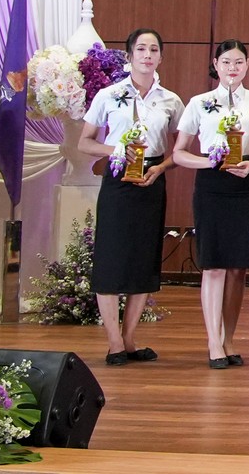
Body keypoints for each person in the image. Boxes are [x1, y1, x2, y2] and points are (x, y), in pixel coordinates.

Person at [171, 39, 249, 369]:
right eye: (227, 62)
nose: (233, 68)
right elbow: (179, 153)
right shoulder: (199, 103)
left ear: (247, 65)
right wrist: (209, 162)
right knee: (214, 264)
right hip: (212, 184)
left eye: (239, 62)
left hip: (248, 183)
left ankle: (229, 338)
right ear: (216, 65)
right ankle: (213, 342)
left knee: (237, 267)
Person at [79, 28, 181, 366]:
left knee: (143, 259)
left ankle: (129, 340)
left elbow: (180, 149)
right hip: (118, 176)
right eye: (141, 49)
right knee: (111, 258)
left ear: (161, 57)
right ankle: (113, 343)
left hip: (152, 179)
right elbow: (85, 142)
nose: (147, 55)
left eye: (154, 49)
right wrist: (117, 149)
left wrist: (161, 168)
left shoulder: (170, 100)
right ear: (129, 55)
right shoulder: (109, 95)